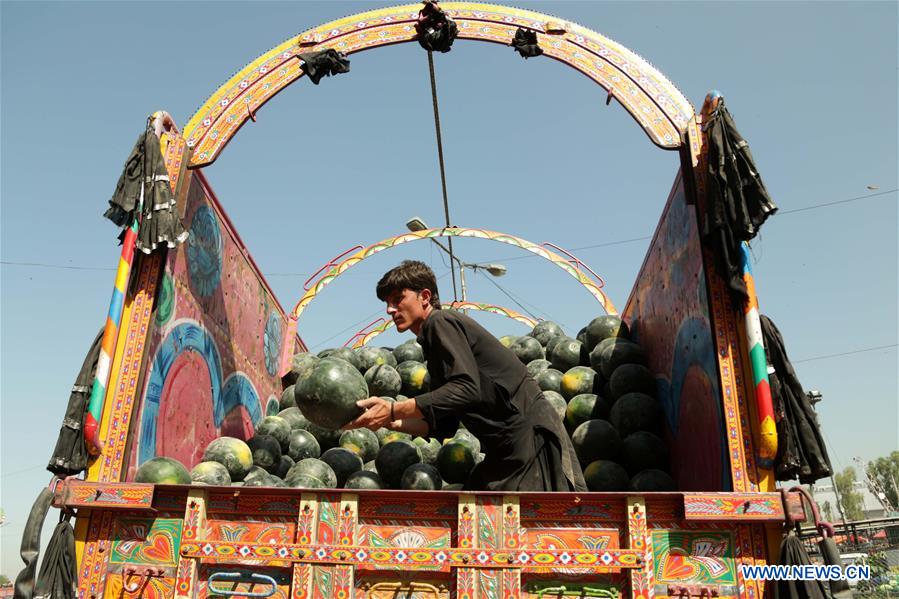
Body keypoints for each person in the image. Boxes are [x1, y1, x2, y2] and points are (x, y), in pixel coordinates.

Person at [345, 260, 586, 492]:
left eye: (398, 299)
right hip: (505, 448)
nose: (390, 309)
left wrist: (394, 408)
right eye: (387, 303)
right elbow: (444, 425)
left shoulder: (441, 321)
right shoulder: (432, 342)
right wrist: (387, 421)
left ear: (425, 296)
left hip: (527, 438)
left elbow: (466, 388)